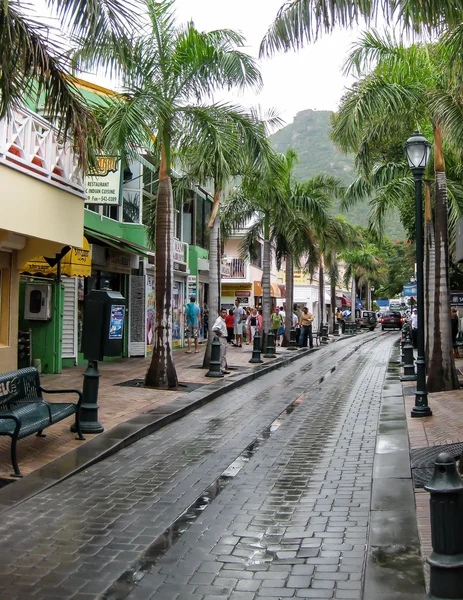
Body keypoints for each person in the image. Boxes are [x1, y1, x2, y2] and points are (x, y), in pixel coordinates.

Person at [212, 308, 230, 374]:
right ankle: (220, 368)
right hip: (221, 338)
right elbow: (214, 328)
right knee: (221, 354)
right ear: (220, 313)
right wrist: (219, 333)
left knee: (224, 354)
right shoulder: (219, 320)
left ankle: (223, 368)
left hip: (224, 338)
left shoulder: (223, 320)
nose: (224, 314)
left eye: (225, 313)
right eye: (223, 312)